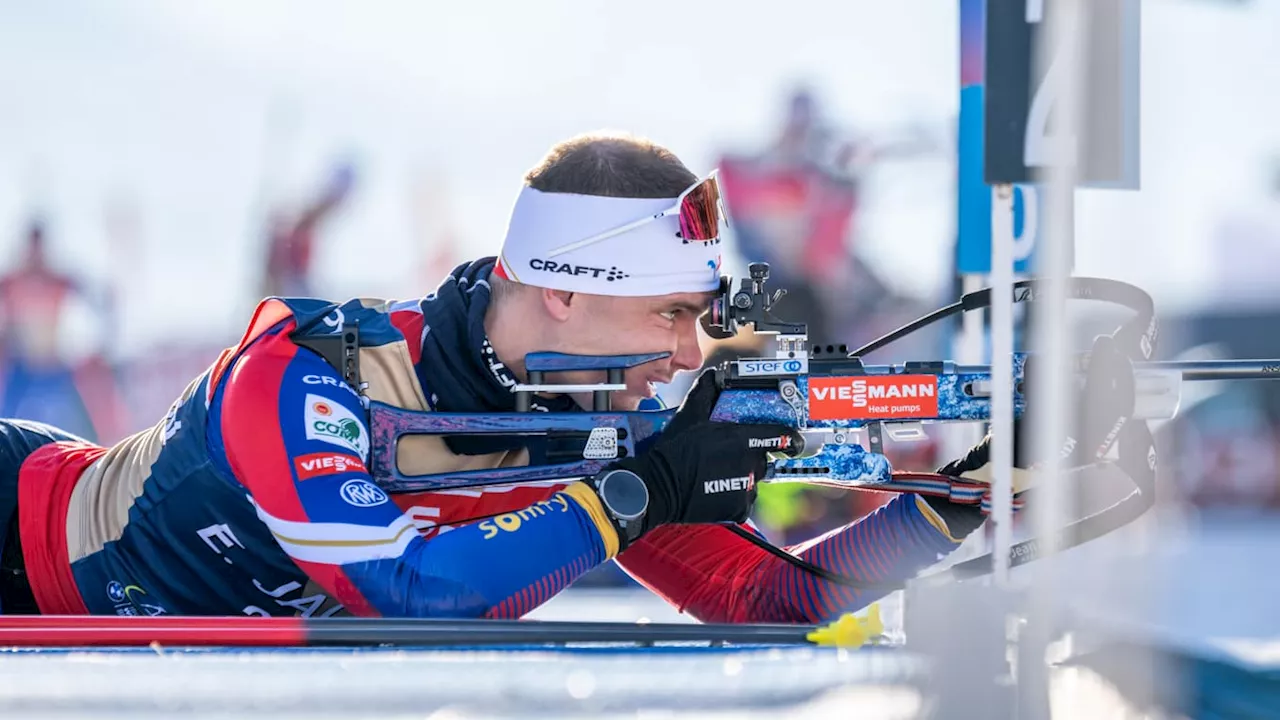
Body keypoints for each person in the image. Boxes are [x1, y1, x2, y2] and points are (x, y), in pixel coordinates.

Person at [0, 132, 1135, 621]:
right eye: (669, 317)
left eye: (701, 321)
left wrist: (972, 493)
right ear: (561, 292)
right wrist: (637, 492)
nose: (691, 355)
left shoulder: (597, 422)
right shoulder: (308, 377)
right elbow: (410, 598)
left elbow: (771, 599)